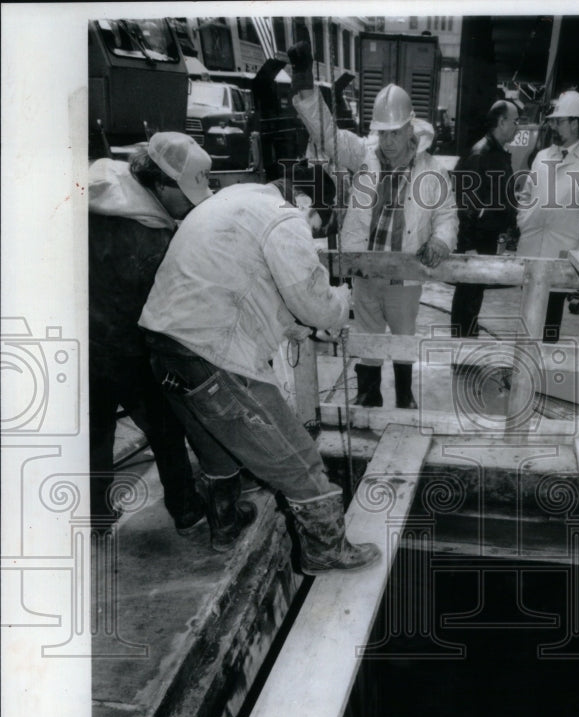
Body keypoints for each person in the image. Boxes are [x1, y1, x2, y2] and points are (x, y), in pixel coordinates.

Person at [139, 177, 380, 575]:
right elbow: (312, 298)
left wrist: (293, 325)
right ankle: (325, 549)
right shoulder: (285, 218)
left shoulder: (234, 201)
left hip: (164, 344)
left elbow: (245, 282)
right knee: (296, 457)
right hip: (211, 350)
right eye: (321, 226)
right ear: (308, 206)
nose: (315, 234)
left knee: (213, 441)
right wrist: (340, 303)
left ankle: (226, 524)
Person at [288, 41, 458, 409]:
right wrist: (304, 83)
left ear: (411, 128)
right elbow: (327, 134)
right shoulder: (363, 156)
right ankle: (368, 394)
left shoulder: (433, 172)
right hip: (365, 271)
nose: (389, 141)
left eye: (396, 133)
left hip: (403, 275)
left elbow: (446, 217)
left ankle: (405, 395)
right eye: (383, 133)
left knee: (402, 337)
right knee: (366, 335)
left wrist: (442, 243)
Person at [88, 132, 213, 531]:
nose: (189, 204)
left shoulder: (103, 187)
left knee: (94, 435)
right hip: (128, 349)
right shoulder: (150, 236)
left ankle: (96, 515)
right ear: (160, 184)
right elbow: (165, 311)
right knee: (165, 427)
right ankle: (185, 507)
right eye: (185, 194)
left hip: (81, 339)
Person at [516, 90, 579, 341]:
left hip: (562, 246)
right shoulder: (542, 156)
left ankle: (543, 364)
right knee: (526, 312)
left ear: (575, 123)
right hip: (532, 244)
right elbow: (526, 194)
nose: (553, 126)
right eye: (553, 121)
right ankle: (523, 367)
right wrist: (523, 221)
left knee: (551, 315)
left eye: (558, 121)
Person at [450, 99, 520, 340]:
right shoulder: (482, 154)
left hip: (487, 237)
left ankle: (467, 337)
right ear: (501, 122)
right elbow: (464, 205)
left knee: (475, 293)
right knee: (467, 293)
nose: (517, 127)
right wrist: (468, 246)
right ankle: (462, 346)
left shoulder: (497, 153)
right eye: (515, 121)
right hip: (476, 241)